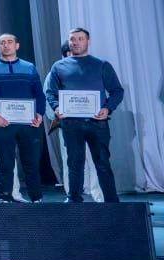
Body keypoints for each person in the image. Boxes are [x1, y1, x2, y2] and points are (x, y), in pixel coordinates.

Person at [44, 27, 124, 203]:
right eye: (73, 39)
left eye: (80, 38)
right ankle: (74, 200)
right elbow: (50, 93)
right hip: (71, 124)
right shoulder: (58, 66)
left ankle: (112, 202)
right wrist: (56, 108)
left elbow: (117, 91)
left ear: (88, 41)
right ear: (69, 42)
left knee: (102, 163)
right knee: (74, 163)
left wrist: (107, 109)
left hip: (97, 123)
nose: (76, 42)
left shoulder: (101, 65)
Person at [0, 33, 46, 203]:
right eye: (2, 43)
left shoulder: (29, 67)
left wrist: (39, 113)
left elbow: (39, 94)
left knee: (31, 162)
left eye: (10, 42)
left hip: (28, 123)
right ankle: (5, 197)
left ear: (17, 46)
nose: (6, 45)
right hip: (3, 123)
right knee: (5, 163)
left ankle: (36, 198)